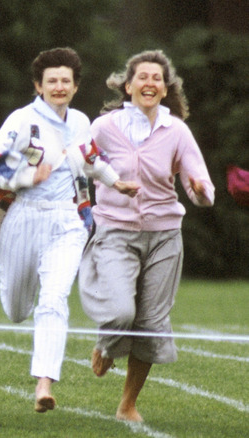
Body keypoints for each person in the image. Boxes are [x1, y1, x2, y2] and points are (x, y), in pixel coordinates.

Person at [0, 48, 138, 413]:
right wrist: (25, 176)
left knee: (53, 300)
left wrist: (117, 183)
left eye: (65, 81)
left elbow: (90, 159)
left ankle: (44, 383)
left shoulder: (82, 122)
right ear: (39, 85)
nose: (59, 86)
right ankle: (24, 297)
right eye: (51, 81)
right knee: (17, 309)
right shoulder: (21, 120)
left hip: (69, 221)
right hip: (24, 218)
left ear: (75, 86)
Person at [79, 50, 214, 422]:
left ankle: (127, 404)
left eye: (157, 78)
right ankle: (107, 344)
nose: (150, 83)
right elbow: (81, 165)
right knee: (121, 311)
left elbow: (201, 187)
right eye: (143, 77)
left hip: (164, 236)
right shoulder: (104, 127)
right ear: (129, 86)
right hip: (115, 231)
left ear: (165, 88)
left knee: (152, 324)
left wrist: (201, 190)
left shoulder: (177, 131)